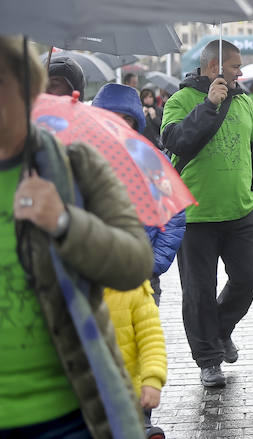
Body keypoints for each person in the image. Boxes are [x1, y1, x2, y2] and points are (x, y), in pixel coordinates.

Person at [0, 36, 153, 438]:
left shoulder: (76, 165)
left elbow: (135, 261)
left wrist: (65, 221)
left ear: (26, 87)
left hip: (72, 415)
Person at [160, 39, 253, 388]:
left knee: (249, 278)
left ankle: (220, 329)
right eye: (235, 66)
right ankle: (208, 360)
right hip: (194, 216)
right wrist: (208, 105)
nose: (240, 71)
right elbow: (177, 142)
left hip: (241, 212)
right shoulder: (180, 100)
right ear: (213, 68)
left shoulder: (245, 102)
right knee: (198, 291)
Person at [92, 83, 186, 305]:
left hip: (141, 275)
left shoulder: (150, 160)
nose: (117, 123)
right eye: (110, 116)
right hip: (93, 274)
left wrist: (153, 264)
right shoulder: (81, 157)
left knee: (145, 337)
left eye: (125, 118)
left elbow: (174, 217)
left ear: (135, 122)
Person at [102, 281, 167, 439]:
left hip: (131, 392)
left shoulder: (134, 290)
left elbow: (151, 340)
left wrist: (152, 379)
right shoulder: (65, 292)